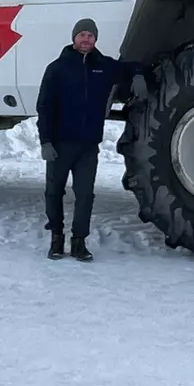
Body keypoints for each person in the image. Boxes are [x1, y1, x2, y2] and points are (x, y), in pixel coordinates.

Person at [35, 18, 147, 261]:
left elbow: (131, 67)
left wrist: (137, 75)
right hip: (59, 145)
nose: (86, 39)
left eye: (90, 36)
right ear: (74, 37)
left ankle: (79, 242)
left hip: (88, 147)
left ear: (95, 39)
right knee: (53, 192)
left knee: (85, 195)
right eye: (82, 35)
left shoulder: (104, 66)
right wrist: (45, 142)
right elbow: (44, 107)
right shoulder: (57, 68)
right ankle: (56, 238)